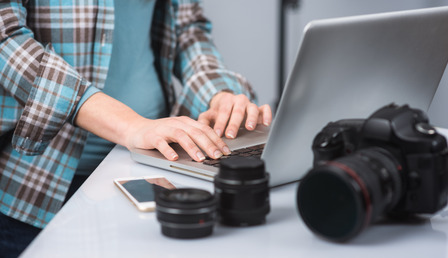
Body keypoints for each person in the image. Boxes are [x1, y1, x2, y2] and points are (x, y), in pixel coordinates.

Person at [0, 0, 272, 256]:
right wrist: (130, 124)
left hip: (153, 165)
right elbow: (6, 36)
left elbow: (187, 28)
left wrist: (218, 93)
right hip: (40, 181)